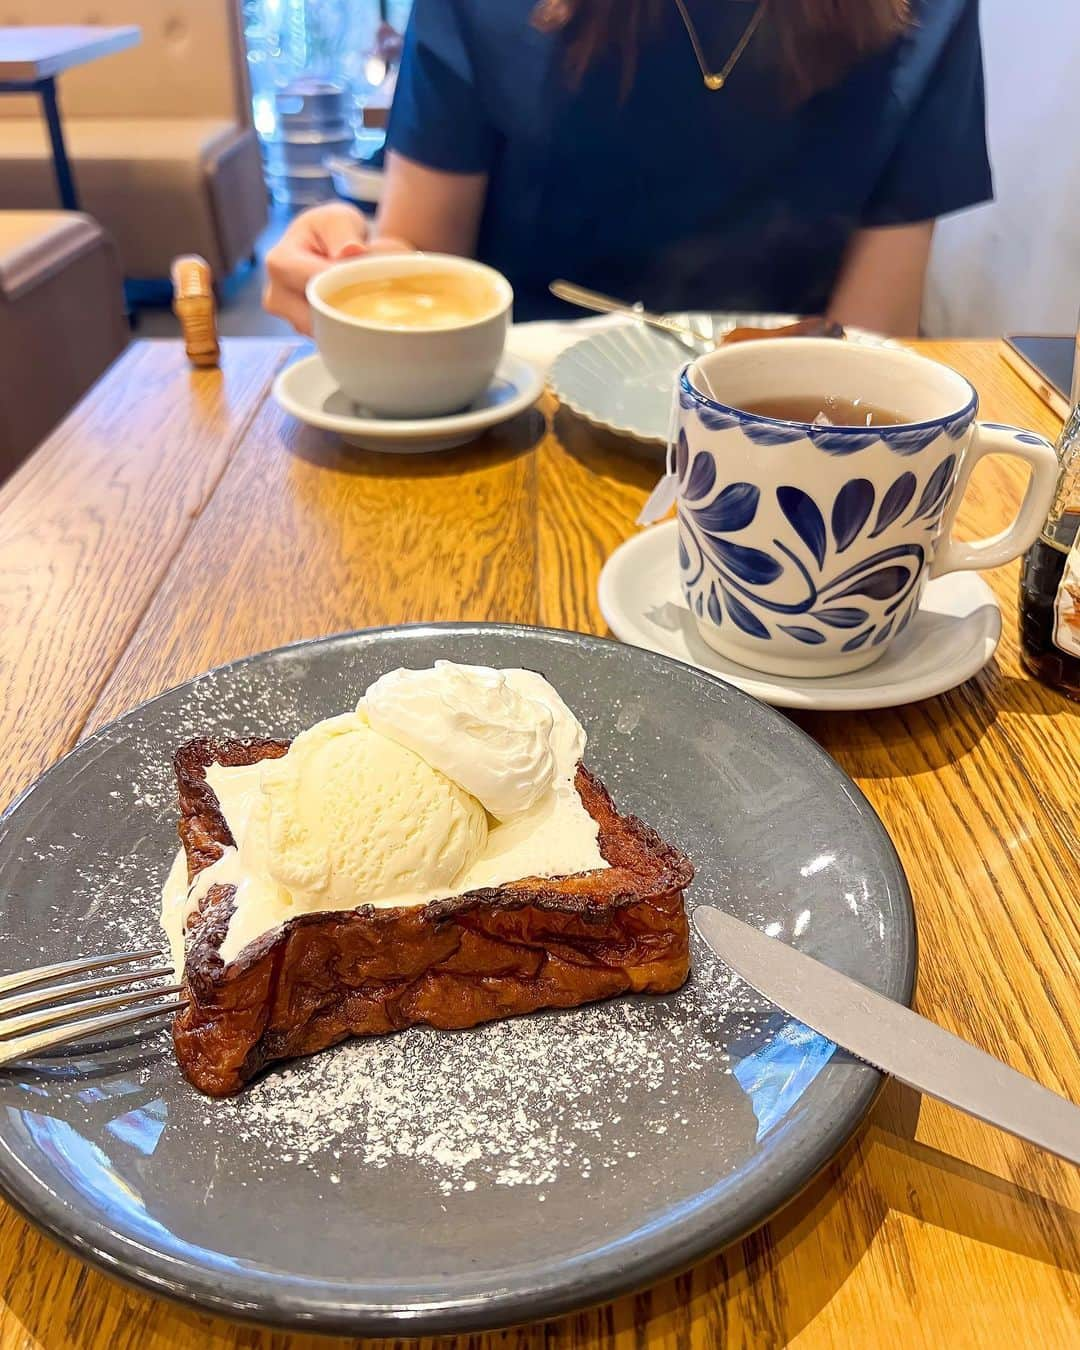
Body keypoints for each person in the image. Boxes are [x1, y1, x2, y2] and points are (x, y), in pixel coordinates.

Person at [264, 0, 990, 335]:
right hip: (511, 433)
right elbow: (424, 256)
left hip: (786, 447)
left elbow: (869, 340)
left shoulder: (923, 14)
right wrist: (354, 269)